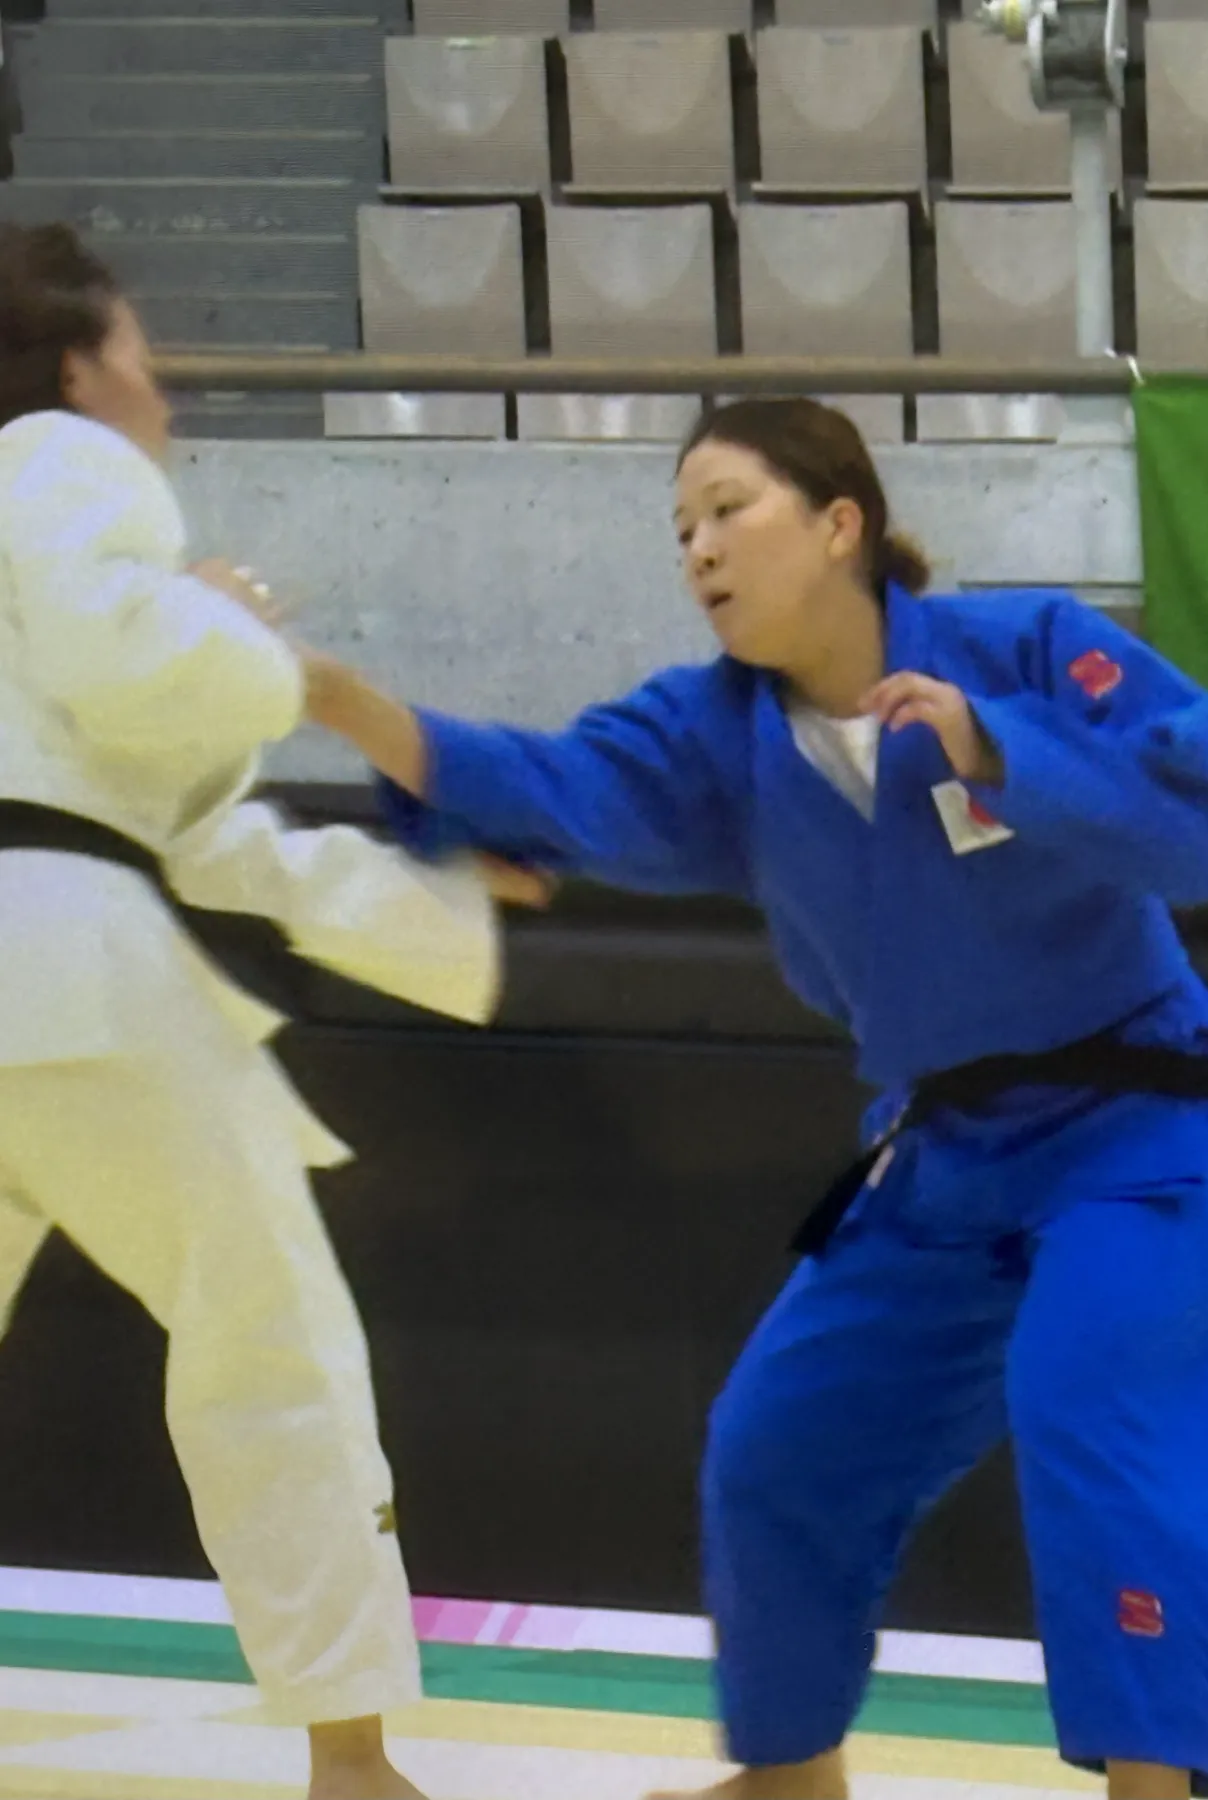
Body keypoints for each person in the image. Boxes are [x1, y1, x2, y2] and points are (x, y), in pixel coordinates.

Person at [298, 396, 1208, 1800]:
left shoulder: (1025, 648)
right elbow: (549, 781)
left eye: (727, 509)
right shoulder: (715, 734)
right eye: (681, 530)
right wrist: (336, 699)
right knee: (781, 1441)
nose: (698, 549)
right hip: (942, 1157)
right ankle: (791, 1778)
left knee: (1093, 1403)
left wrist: (1000, 748)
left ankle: (1155, 1791)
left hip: (1142, 1132)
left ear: (840, 524)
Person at [0, 223, 549, 1800]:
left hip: (66, 909)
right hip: (70, 966)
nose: (162, 392)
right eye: (144, 357)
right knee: (272, 1349)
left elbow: (191, 829)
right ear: (77, 367)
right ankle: (350, 1759)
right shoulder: (58, 459)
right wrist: (247, 637)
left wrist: (429, 900)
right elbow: (128, 663)